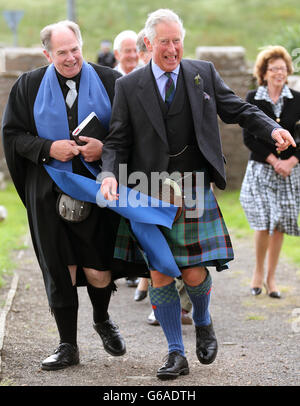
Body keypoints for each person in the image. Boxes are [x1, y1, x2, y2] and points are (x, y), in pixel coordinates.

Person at [100, 9, 295, 381]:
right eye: (164, 42)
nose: (172, 49)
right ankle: (176, 353)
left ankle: (203, 321)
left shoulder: (200, 73)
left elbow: (237, 108)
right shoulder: (129, 86)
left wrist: (271, 129)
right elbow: (117, 139)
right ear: (148, 44)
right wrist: (110, 174)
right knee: (159, 271)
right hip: (148, 187)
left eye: (177, 41)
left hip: (191, 185)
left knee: (192, 272)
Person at [2, 20, 126, 371]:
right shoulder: (28, 86)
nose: (71, 57)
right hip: (49, 193)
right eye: (62, 53)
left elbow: (128, 134)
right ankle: (67, 344)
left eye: (75, 49)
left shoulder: (110, 82)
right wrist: (46, 148)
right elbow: (12, 136)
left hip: (98, 190)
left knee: (99, 271)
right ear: (47, 54)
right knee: (61, 270)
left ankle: (102, 319)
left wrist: (103, 148)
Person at [240, 45, 300, 299]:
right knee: (263, 222)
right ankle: (257, 273)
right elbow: (248, 137)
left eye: (283, 69)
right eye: (274, 68)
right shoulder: (253, 98)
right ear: (264, 72)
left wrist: (291, 161)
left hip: (290, 171)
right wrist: (275, 161)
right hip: (262, 169)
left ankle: (272, 278)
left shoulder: (297, 99)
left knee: (280, 225)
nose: (279, 72)